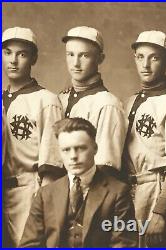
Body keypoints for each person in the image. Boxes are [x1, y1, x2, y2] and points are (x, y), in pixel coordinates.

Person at [19, 117, 138, 248]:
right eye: (66, 150)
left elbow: (124, 245)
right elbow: (29, 245)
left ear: (95, 149)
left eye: (80, 148)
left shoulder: (118, 192)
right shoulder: (45, 194)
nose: (73, 156)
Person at [123, 30, 166, 247]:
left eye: (154, 57)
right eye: (141, 57)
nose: (146, 65)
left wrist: (160, 212)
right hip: (128, 191)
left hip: (156, 189)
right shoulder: (130, 100)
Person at [2, 27, 65, 247]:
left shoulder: (46, 100)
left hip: (28, 188)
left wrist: (42, 201)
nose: (13, 61)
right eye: (8, 52)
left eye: (22, 54)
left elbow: (53, 159)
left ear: (34, 58)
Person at [58, 26, 126, 174]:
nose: (75, 63)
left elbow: (107, 167)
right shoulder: (60, 98)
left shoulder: (107, 104)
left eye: (84, 55)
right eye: (70, 54)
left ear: (100, 58)